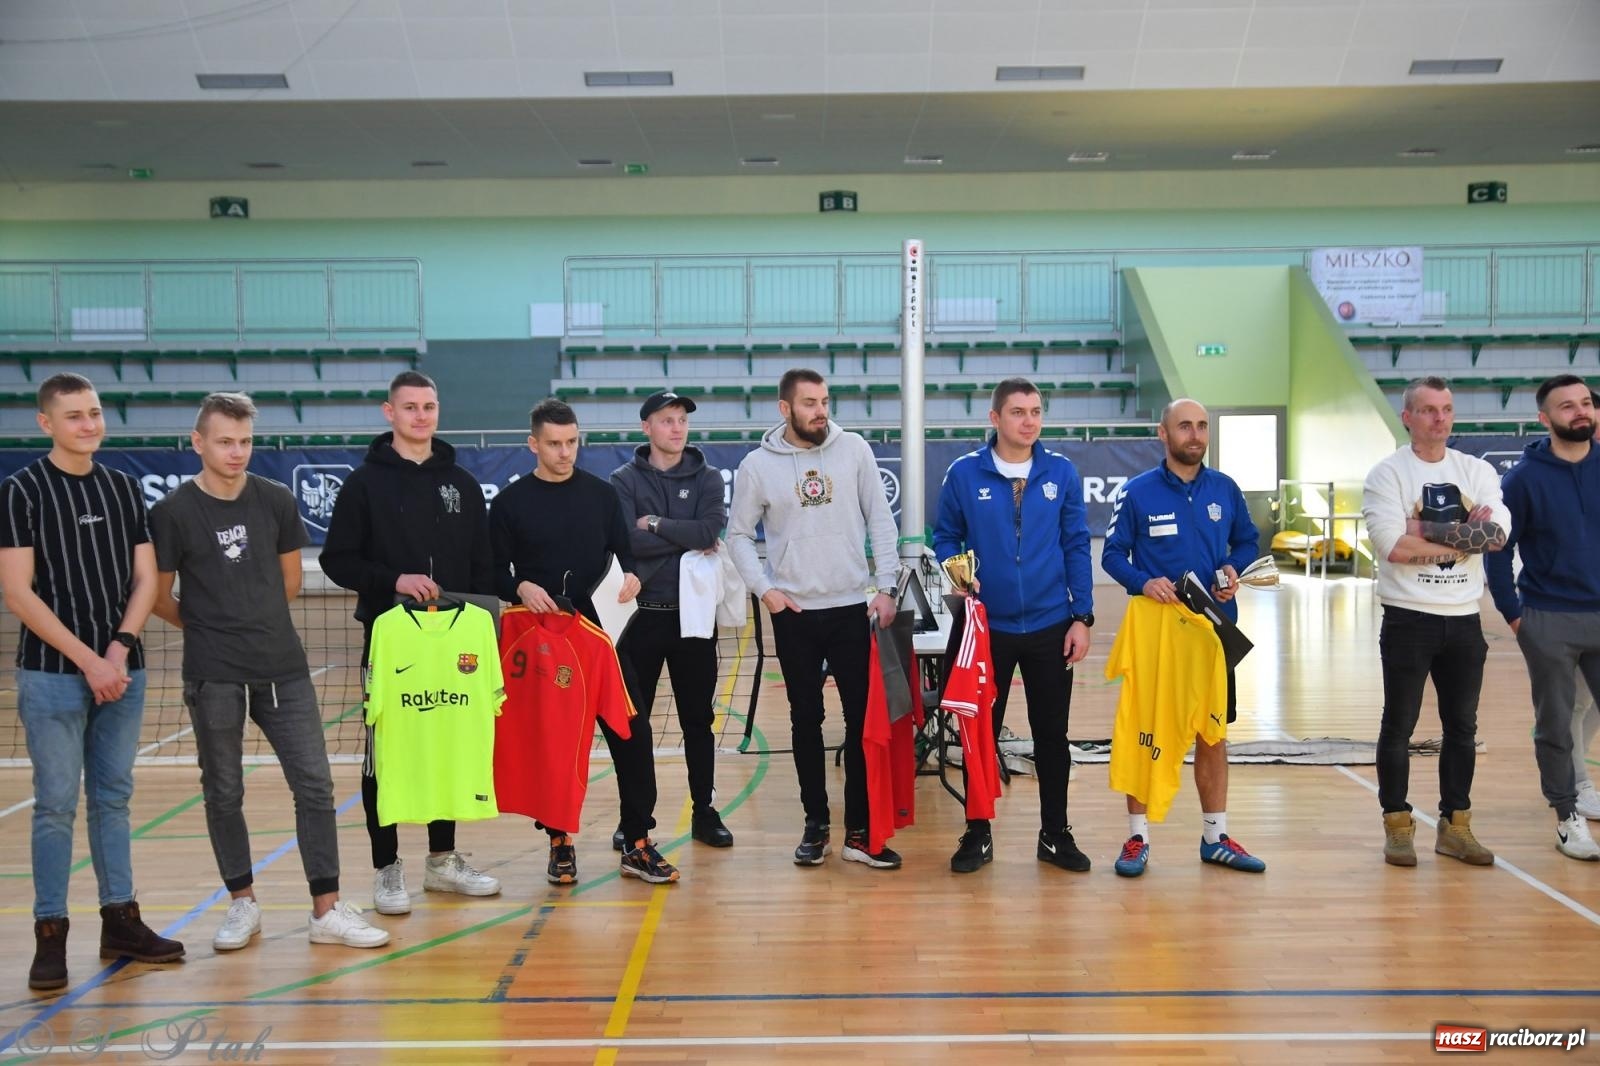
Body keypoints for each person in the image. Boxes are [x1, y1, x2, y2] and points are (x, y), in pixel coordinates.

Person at [151, 393, 389, 949]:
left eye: (245, 442)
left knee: (314, 783)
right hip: (212, 675)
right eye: (225, 442)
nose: (237, 452)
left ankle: (326, 910)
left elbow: (290, 584)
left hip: (283, 669)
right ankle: (242, 903)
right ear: (199, 443)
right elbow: (159, 596)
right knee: (224, 791)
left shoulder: (276, 500)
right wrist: (210, 626)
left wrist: (249, 622)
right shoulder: (173, 513)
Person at [1, 373, 184, 991]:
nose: (89, 425)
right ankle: (50, 934)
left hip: (121, 670)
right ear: (46, 424)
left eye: (96, 413)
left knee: (114, 798)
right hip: (52, 675)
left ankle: (120, 920)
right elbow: (18, 593)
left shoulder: (125, 488)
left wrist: (119, 649)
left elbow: (145, 582)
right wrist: (90, 660)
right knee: (54, 805)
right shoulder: (21, 492)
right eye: (75, 416)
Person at [320, 370, 501, 915]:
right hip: (391, 642)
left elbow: (483, 567)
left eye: (429, 406)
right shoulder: (364, 484)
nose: (421, 416)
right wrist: (392, 581)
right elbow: (337, 561)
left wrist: (487, 625)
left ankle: (442, 862)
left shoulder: (462, 484)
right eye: (410, 407)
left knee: (445, 742)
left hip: (452, 644)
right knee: (387, 755)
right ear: (389, 412)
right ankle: (386, 867)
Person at [727, 368, 903, 869]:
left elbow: (881, 520)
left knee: (859, 722)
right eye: (809, 403)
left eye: (824, 400)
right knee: (805, 720)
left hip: (851, 606)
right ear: (785, 409)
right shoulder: (758, 465)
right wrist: (765, 590)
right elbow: (737, 535)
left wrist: (886, 586)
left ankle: (861, 831)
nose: (820, 410)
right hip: (796, 613)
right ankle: (816, 825)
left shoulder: (855, 450)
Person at [933, 378, 1095, 874]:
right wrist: (956, 572)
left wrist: (1082, 616)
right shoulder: (964, 474)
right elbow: (945, 537)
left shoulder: (1061, 472)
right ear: (995, 418)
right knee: (980, 736)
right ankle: (978, 832)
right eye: (1018, 412)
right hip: (986, 629)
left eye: (1036, 411)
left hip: (1051, 624)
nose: (1029, 421)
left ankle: (1055, 833)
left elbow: (1075, 546)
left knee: (1053, 735)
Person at [1101, 398, 1267, 877]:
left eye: (1201, 426)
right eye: (1184, 426)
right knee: (1144, 729)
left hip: (1214, 632)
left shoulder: (1226, 489)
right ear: (1163, 433)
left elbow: (1247, 540)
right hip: (1159, 635)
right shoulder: (1136, 493)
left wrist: (1236, 565)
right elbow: (1113, 554)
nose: (1195, 435)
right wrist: (1142, 582)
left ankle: (1215, 836)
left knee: (1213, 733)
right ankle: (1137, 837)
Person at [490, 398, 653, 884]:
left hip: (602, 639)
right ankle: (559, 842)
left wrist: (633, 580)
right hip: (547, 646)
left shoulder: (602, 496)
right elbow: (493, 572)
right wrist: (519, 586)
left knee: (634, 734)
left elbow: (623, 556)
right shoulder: (509, 505)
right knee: (557, 746)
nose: (565, 453)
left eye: (572, 442)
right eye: (555, 444)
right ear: (533, 444)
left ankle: (638, 840)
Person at [1361, 375, 1508, 868]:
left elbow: (1497, 533)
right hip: (1408, 619)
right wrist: (1464, 533)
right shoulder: (1387, 475)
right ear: (1407, 418)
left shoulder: (1475, 470)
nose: (1439, 418)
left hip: (1465, 621)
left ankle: (1456, 826)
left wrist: (1420, 527)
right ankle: (1398, 826)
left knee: (1462, 728)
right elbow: (1394, 547)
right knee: (1398, 725)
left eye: (1445, 409)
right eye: (1427, 410)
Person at [609, 391, 734, 852]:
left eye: (681, 420)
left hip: (693, 622)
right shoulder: (623, 479)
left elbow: (708, 532)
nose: (677, 428)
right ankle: (634, 819)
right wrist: (682, 538)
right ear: (647, 427)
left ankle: (704, 810)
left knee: (698, 721)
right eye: (667, 420)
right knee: (632, 722)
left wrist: (656, 525)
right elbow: (625, 541)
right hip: (639, 621)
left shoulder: (708, 477)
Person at [1485, 374, 1600, 860]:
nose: (1580, 412)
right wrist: (1515, 616)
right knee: (1554, 724)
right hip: (1548, 618)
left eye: (1586, 403)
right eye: (1567, 406)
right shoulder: (1523, 479)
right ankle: (1567, 818)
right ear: (1545, 418)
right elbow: (1497, 548)